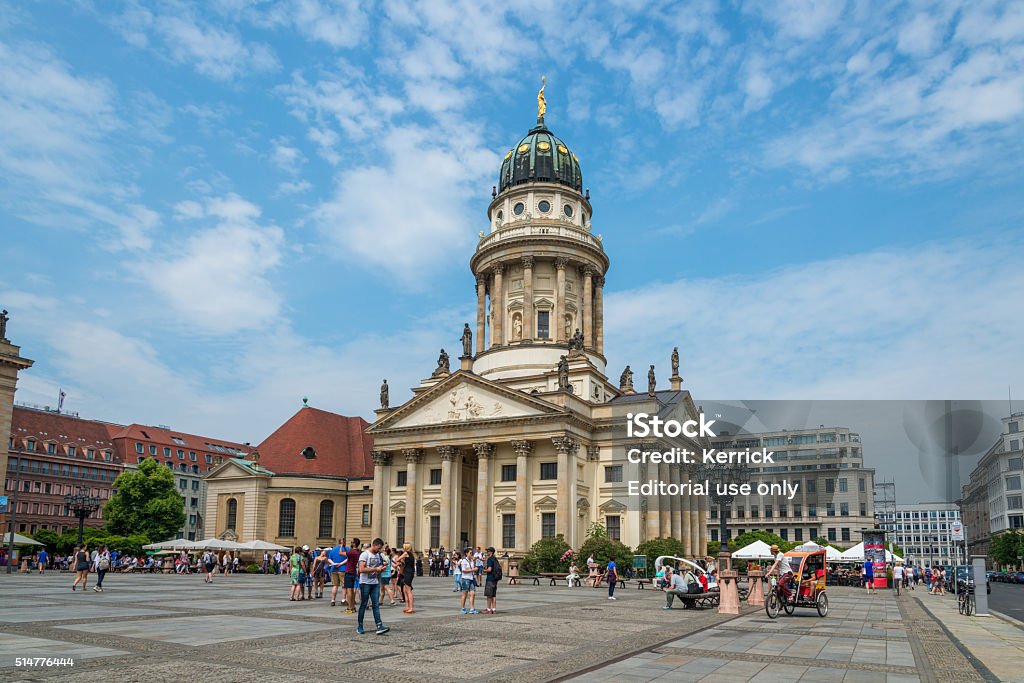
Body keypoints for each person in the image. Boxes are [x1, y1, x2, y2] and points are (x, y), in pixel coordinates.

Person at [356, 538, 391, 635]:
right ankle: (360, 626)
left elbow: (381, 565)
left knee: (375, 605)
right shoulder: (365, 554)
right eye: (378, 548)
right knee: (364, 604)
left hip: (375, 582)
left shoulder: (378, 555)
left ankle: (379, 626)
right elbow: (361, 569)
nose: (379, 550)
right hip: (365, 583)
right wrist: (376, 569)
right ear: (375, 545)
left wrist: (381, 569)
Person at [344, 538, 362, 614]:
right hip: (353, 572)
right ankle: (353, 607)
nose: (351, 543)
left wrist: (342, 546)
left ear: (354, 544)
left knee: (349, 590)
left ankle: (350, 607)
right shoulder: (358, 552)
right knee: (352, 590)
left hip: (349, 572)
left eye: (351, 542)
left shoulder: (352, 552)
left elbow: (341, 553)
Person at [398, 543, 416, 613]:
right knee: (405, 590)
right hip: (409, 572)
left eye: (403, 547)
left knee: (408, 590)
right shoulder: (411, 554)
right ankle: (407, 606)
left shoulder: (406, 553)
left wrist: (401, 560)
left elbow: (398, 559)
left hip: (408, 572)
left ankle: (411, 607)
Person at [483, 547, 501, 614]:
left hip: (490, 579)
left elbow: (489, 569)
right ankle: (494, 609)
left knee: (489, 595)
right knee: (493, 595)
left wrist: (483, 570)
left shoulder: (490, 559)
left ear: (491, 552)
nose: (487, 552)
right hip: (495, 579)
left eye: (487, 551)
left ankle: (488, 609)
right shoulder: (495, 559)